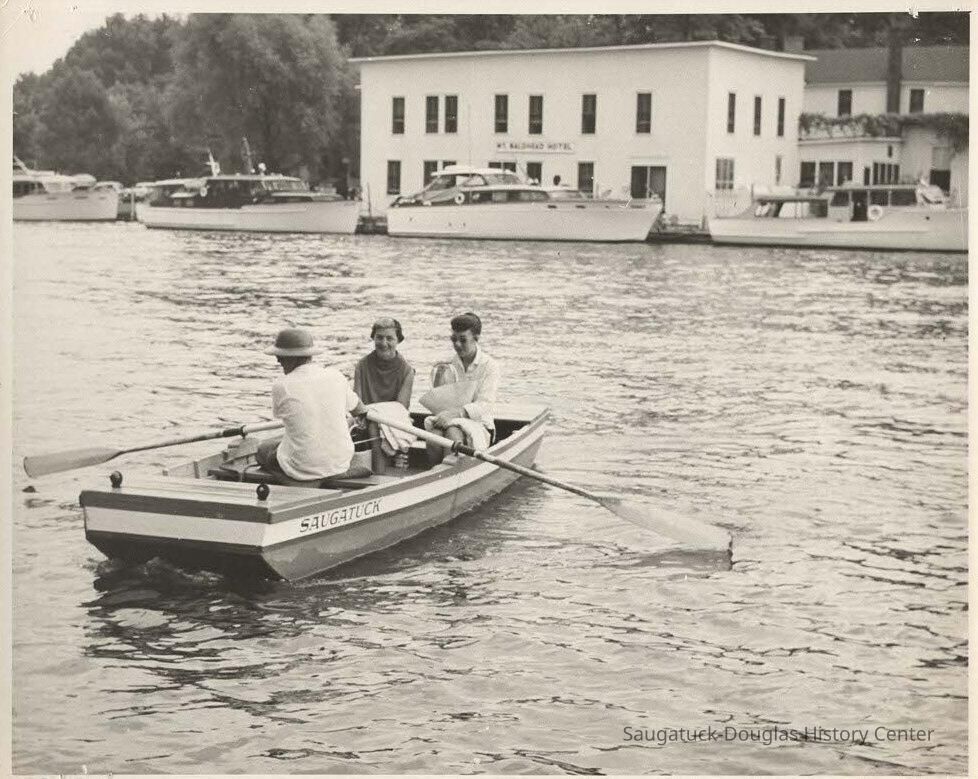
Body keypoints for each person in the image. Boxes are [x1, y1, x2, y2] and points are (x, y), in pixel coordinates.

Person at [256, 327, 367, 482]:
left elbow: (285, 417)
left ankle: (295, 482)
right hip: (341, 462)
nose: (278, 361)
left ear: (292, 357)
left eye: (280, 356)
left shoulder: (281, 386)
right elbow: (359, 409)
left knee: (262, 450)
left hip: (302, 467)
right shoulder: (336, 375)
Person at [424, 312, 500, 465]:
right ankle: (438, 473)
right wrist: (438, 380)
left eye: (463, 340)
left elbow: (485, 404)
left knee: (452, 434)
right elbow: (441, 401)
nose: (457, 344)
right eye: (454, 339)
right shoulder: (448, 364)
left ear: (476, 338)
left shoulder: (489, 365)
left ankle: (448, 473)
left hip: (480, 424)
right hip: (450, 419)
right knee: (433, 438)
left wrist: (456, 413)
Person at [353, 317, 416, 472]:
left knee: (374, 423)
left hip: (392, 419)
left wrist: (373, 414)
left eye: (389, 338)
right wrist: (361, 416)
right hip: (365, 417)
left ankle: (379, 473)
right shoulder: (362, 365)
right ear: (373, 338)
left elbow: (401, 407)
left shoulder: (407, 370)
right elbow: (356, 400)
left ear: (398, 340)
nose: (384, 343)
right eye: (379, 337)